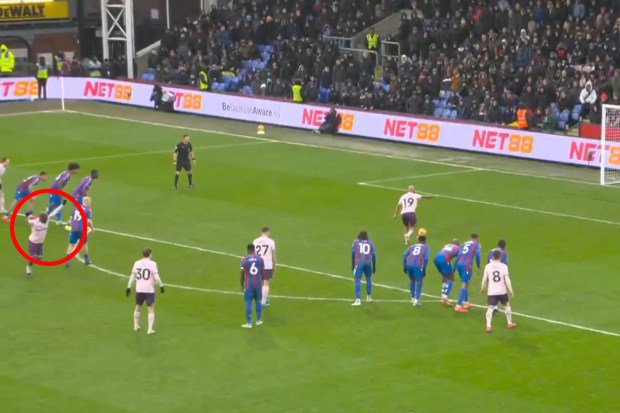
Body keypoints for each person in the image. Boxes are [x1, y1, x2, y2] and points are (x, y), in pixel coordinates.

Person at [126, 248, 165, 335]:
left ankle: (136, 326)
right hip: (149, 290)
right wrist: (161, 285)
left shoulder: (137, 263)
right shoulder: (153, 264)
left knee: (138, 306)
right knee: (150, 308)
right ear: (150, 254)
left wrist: (128, 286)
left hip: (139, 289)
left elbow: (133, 276)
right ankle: (149, 329)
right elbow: (157, 277)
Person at [480, 249, 515, 333]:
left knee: (490, 308)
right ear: (500, 256)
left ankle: (488, 326)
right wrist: (510, 290)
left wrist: (482, 288)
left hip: (492, 291)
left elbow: (484, 278)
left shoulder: (488, 266)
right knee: (506, 305)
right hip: (502, 291)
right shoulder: (503, 266)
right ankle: (509, 323)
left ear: (492, 256)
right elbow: (507, 279)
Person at [25, 206, 61, 277]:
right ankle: (28, 267)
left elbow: (55, 212)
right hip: (33, 242)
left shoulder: (47, 219)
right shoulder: (35, 222)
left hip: (40, 243)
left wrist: (62, 205)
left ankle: (32, 262)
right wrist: (28, 216)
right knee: (34, 257)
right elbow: (28, 221)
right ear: (41, 219)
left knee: (40, 258)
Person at [454, 234, 481, 313]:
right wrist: (479, 267)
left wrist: (454, 269)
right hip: (466, 265)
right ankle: (458, 306)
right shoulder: (476, 244)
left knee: (467, 283)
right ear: (477, 239)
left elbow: (459, 255)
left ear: (470, 238)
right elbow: (478, 255)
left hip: (459, 264)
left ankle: (466, 303)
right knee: (464, 284)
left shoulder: (464, 244)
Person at [65, 196, 94, 267]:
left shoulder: (75, 208)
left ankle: (68, 261)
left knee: (71, 245)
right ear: (88, 202)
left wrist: (71, 227)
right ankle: (86, 261)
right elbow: (89, 221)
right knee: (84, 244)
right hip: (82, 230)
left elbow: (71, 218)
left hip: (74, 229)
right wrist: (92, 229)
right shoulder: (88, 210)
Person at [240, 243, 264, 328]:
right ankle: (258, 320)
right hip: (258, 283)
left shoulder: (244, 260)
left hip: (249, 284)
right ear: (254, 250)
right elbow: (262, 271)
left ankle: (249, 323)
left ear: (247, 250)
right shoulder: (260, 259)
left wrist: (241, 284)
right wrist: (262, 282)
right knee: (258, 301)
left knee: (249, 302)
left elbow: (242, 273)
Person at [351, 230, 376, 306]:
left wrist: (352, 265)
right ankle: (369, 297)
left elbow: (353, 254)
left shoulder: (355, 243)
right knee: (368, 278)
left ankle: (358, 300)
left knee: (357, 279)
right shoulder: (371, 243)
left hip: (359, 263)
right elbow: (374, 256)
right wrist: (374, 266)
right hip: (368, 263)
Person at [403, 235, 430, 307]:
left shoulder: (413, 246)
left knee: (412, 280)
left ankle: (412, 297)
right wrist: (424, 269)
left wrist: (404, 266)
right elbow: (426, 258)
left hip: (409, 265)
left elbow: (404, 255)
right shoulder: (426, 247)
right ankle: (416, 301)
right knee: (419, 282)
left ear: (418, 240)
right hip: (417, 266)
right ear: (425, 241)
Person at [253, 227, 276, 307]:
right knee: (266, 283)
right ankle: (263, 301)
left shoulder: (255, 241)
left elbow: (253, 254)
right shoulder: (271, 242)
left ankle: (261, 299)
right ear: (268, 232)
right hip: (267, 264)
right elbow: (273, 255)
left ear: (261, 232)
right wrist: (274, 265)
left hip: (258, 264)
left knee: (261, 282)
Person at [433, 239, 460, 305]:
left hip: (436, 258)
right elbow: (458, 260)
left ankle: (443, 295)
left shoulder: (447, 245)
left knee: (444, 276)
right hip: (444, 259)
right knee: (451, 277)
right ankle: (445, 296)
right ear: (458, 244)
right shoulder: (458, 248)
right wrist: (453, 269)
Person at [487, 239, 508, 315]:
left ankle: (493, 307)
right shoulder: (504, 253)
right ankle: (496, 308)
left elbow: (487, 261)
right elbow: (505, 264)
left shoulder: (492, 250)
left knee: (491, 289)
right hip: (498, 272)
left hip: (489, 271)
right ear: (504, 246)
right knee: (500, 289)